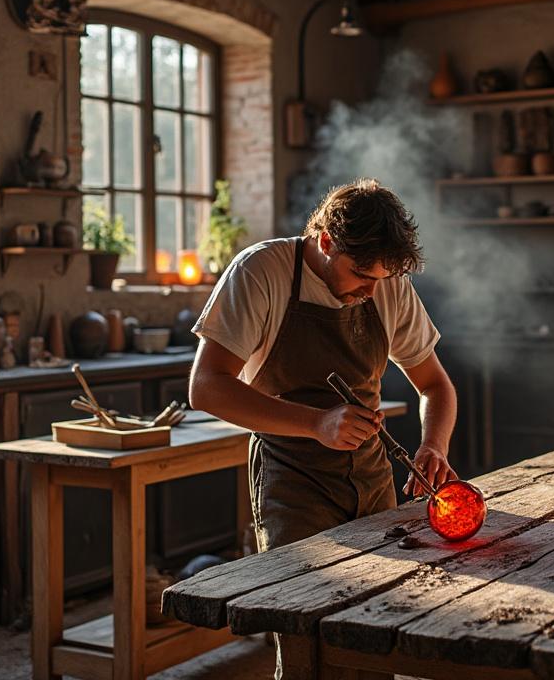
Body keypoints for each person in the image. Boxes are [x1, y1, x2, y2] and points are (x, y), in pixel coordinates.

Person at [190, 177, 457, 551]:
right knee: (301, 596)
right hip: (292, 481)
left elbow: (435, 385)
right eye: (362, 276)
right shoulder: (261, 271)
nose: (371, 292)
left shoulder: (387, 284)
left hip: (372, 477)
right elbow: (206, 388)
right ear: (327, 241)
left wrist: (434, 445)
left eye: (381, 279)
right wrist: (317, 423)